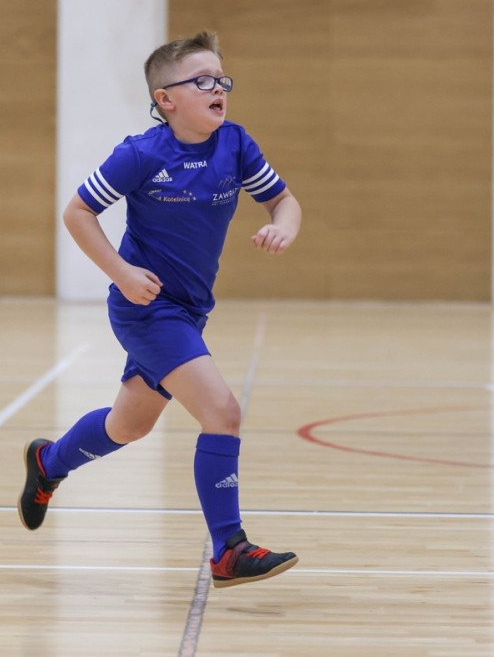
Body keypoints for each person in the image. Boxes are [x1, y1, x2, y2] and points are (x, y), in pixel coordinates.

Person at [18, 31, 302, 588]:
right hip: (147, 310)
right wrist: (121, 273)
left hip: (191, 310)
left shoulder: (235, 144)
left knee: (128, 426)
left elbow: (282, 200)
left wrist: (283, 226)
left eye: (222, 79)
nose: (218, 89)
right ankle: (229, 549)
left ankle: (48, 463)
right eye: (203, 81)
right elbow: (77, 213)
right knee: (222, 412)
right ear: (166, 99)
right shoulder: (142, 154)